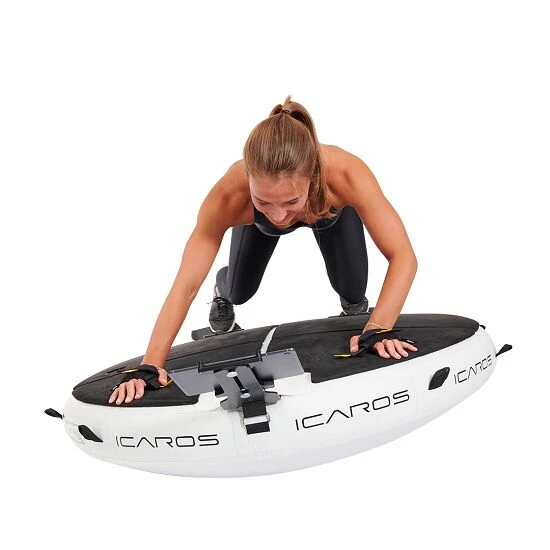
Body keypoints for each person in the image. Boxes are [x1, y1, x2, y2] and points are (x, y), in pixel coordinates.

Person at [109, 96, 418, 406]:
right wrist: (150, 364)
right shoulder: (230, 195)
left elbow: (403, 256)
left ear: (312, 177)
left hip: (329, 214)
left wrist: (378, 328)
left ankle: (352, 304)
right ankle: (222, 288)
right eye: (264, 201)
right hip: (258, 228)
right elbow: (186, 284)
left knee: (353, 291)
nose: (280, 216)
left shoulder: (345, 173)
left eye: (291, 201)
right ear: (250, 184)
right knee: (239, 292)